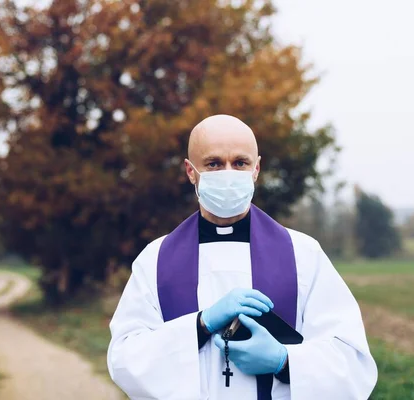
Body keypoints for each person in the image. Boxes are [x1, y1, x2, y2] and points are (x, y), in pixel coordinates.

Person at [106, 115, 377, 399]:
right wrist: (199, 325)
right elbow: (124, 358)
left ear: (256, 169)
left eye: (240, 163)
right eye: (213, 164)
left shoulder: (304, 255)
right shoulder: (156, 259)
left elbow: (352, 361)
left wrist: (284, 362)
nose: (228, 173)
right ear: (190, 171)